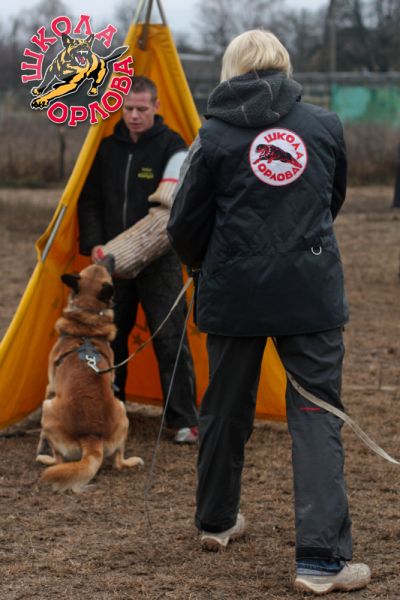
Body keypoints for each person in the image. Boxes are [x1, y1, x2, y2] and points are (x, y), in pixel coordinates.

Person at [167, 30, 371, 594]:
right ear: (283, 64)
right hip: (309, 292)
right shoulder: (324, 125)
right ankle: (322, 562)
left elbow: (184, 224)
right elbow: (330, 200)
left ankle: (215, 521)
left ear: (232, 67)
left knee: (224, 408)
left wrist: (204, 262)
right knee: (315, 416)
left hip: (234, 293)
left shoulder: (212, 135)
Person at [78, 76, 198, 444]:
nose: (134, 115)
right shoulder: (106, 148)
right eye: (128, 108)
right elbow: (89, 201)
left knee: (170, 338)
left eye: (141, 109)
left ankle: (183, 420)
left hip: (159, 261)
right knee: (108, 338)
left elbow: (176, 204)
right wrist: (95, 244)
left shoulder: (173, 146)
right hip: (111, 263)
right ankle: (110, 412)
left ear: (156, 107)